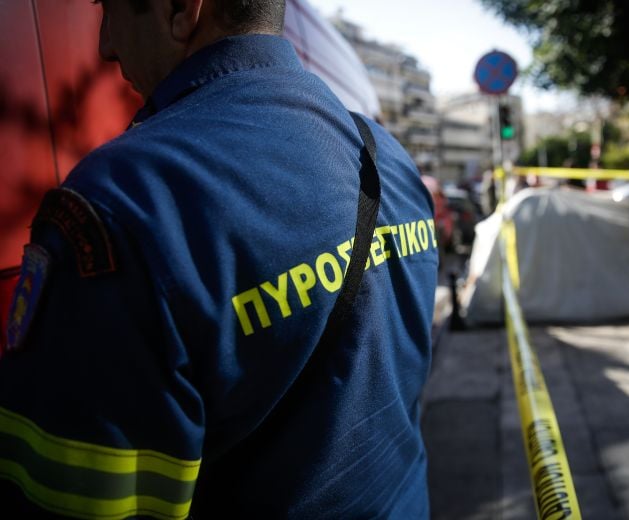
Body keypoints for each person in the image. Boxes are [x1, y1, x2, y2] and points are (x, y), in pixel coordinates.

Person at [0, 1, 438, 518]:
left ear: (182, 9)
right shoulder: (387, 157)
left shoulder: (125, 201)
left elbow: (70, 500)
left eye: (111, 10)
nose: (105, 46)